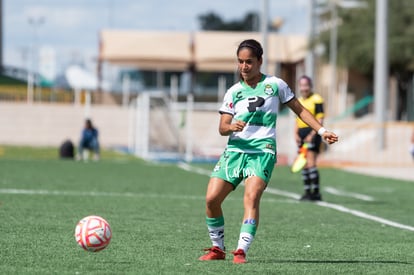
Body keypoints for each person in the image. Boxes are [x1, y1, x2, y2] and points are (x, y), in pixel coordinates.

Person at [198, 39, 338, 264]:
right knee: (211, 199)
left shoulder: (276, 85)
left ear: (260, 61)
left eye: (249, 62)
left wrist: (322, 131)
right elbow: (223, 128)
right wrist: (231, 126)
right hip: (235, 151)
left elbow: (300, 110)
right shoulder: (233, 92)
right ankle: (218, 248)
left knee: (251, 197)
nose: (244, 67)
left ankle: (241, 250)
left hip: (263, 151)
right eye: (240, 62)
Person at [294, 75, 325, 201]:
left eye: (306, 85)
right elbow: (297, 119)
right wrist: (295, 134)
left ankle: (316, 192)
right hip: (301, 133)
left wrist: (312, 134)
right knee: (304, 164)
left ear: (310, 86)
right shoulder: (299, 100)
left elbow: (320, 119)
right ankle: (307, 192)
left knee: (311, 162)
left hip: (312, 133)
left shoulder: (317, 99)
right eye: (301, 85)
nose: (304, 88)